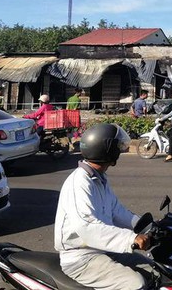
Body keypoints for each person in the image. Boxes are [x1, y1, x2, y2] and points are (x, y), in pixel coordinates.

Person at [54, 123, 156, 290]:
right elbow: (87, 226)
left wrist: (148, 227)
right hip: (81, 258)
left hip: (103, 249)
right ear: (107, 150)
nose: (120, 149)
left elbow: (117, 211)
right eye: (117, 146)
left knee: (155, 270)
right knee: (135, 285)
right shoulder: (80, 182)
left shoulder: (99, 178)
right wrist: (131, 238)